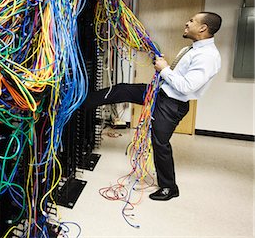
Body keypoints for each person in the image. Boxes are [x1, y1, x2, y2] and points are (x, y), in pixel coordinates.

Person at [84, 12, 222, 201]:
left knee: (160, 143)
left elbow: (187, 86)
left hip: (172, 103)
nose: (187, 22)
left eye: (192, 21)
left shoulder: (208, 56)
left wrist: (164, 69)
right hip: (159, 92)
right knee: (122, 89)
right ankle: (78, 103)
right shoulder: (193, 49)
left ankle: (169, 187)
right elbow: (178, 77)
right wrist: (162, 66)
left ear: (203, 28)